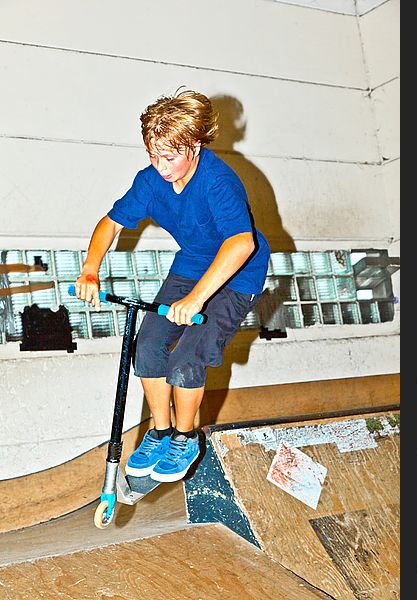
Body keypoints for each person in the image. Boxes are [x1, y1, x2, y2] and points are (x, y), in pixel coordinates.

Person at [75, 90, 270, 483]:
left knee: (187, 357)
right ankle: (160, 432)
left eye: (170, 157)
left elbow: (241, 242)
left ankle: (184, 437)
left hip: (238, 272)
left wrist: (197, 299)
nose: (161, 167)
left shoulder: (218, 181)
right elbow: (110, 223)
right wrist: (91, 269)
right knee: (146, 347)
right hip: (191, 266)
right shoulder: (150, 181)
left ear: (194, 146)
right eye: (153, 155)